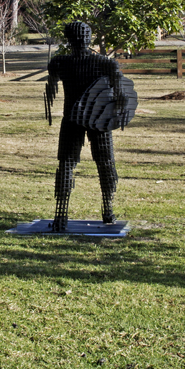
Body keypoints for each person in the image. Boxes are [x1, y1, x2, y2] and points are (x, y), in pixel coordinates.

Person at [43, 21, 133, 231]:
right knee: (104, 164)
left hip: (73, 118)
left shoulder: (60, 62)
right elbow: (121, 96)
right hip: (97, 118)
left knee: (68, 165)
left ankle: (62, 215)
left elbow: (50, 91)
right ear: (88, 37)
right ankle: (107, 210)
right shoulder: (105, 63)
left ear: (68, 39)